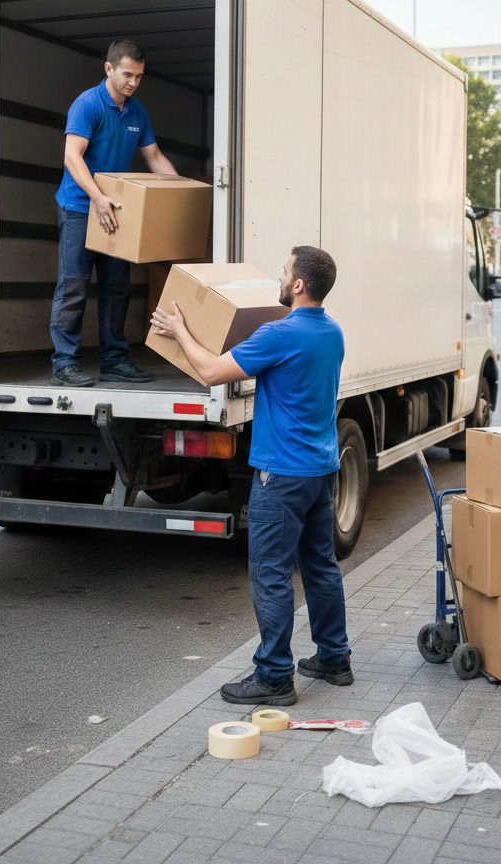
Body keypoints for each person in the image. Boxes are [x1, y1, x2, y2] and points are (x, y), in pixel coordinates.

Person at [150, 246, 350, 706]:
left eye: (284, 271)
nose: (279, 278)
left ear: (298, 284)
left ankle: (274, 676)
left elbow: (210, 371)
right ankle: (334, 658)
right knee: (320, 567)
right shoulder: (332, 332)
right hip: (321, 470)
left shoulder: (279, 334)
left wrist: (179, 330)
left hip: (281, 475)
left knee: (271, 573)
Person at [50, 38, 179, 388]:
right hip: (80, 208)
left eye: (139, 76)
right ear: (109, 69)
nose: (133, 83)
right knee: (74, 285)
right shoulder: (87, 105)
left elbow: (154, 157)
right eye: (127, 75)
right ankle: (64, 363)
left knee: (117, 286)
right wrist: (97, 197)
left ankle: (113, 360)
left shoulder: (138, 112)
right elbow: (72, 156)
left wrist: (180, 192)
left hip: (116, 210)